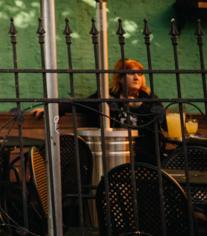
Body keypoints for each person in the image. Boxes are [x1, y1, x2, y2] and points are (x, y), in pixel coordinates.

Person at [30, 58, 165, 163]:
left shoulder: (150, 99)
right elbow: (81, 104)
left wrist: (140, 106)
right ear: (120, 78)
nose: (136, 77)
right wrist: (54, 108)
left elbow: (161, 120)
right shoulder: (108, 97)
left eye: (139, 73)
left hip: (144, 152)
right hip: (113, 150)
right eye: (131, 73)